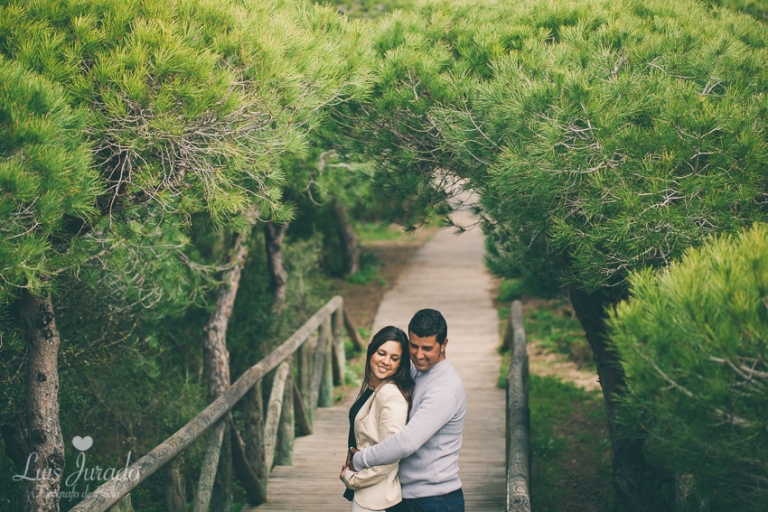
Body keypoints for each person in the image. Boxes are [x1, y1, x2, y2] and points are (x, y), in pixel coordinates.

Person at [349, 309, 467, 512]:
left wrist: (361, 459)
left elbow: (407, 442)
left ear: (443, 344)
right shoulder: (417, 371)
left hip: (435, 500)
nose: (419, 355)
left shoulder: (443, 389)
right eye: (414, 346)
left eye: (427, 348)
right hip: (413, 496)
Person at [341, 326, 415, 512]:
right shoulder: (374, 387)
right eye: (381, 353)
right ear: (371, 352)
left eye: (394, 358)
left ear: (401, 363)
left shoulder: (390, 394)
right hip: (367, 493)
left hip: (376, 500)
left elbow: (391, 455)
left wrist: (352, 479)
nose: (386, 361)